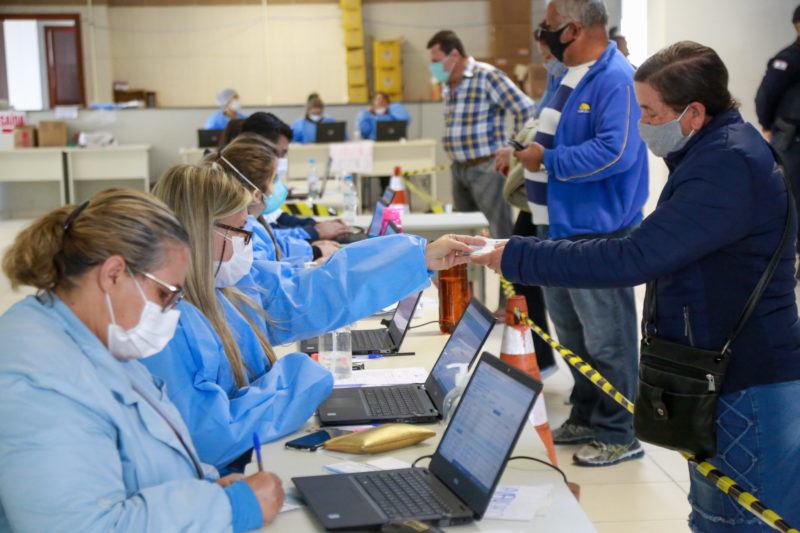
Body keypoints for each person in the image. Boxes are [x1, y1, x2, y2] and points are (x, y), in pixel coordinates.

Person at [474, 40, 800, 531]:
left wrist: (514, 253)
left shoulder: (727, 165)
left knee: (737, 521)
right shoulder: (713, 150)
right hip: (718, 370)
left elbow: (635, 255)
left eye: (648, 112)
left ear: (692, 112)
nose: (642, 123)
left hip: (745, 382)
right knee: (714, 515)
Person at [145, 164, 481, 471]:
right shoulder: (169, 327)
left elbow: (316, 292)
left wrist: (417, 258)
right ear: (199, 232)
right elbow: (212, 438)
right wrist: (301, 378)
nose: (247, 244)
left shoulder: (230, 287)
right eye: (240, 232)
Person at [0, 189, 283, 532]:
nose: (172, 311)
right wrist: (228, 509)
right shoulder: (37, 383)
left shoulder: (96, 338)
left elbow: (144, 462)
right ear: (113, 274)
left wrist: (205, 488)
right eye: (165, 294)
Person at [511, 0, 649, 466]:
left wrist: (546, 161)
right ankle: (588, 413)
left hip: (596, 232)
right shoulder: (564, 74)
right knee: (570, 333)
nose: (545, 36)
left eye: (550, 28)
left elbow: (616, 153)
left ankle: (620, 430)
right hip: (555, 227)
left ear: (574, 29)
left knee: (607, 336)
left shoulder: (616, 79)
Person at [426, 29, 535, 241]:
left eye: (436, 61)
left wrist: (515, 148)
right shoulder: (448, 84)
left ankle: (507, 273)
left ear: (454, 55)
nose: (433, 67)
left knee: (499, 229)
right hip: (459, 169)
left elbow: (525, 108)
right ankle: (472, 273)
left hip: (486, 168)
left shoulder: (487, 76)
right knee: (463, 231)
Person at [204, 133, 339, 265]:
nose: (280, 186)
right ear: (256, 195)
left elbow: (274, 242)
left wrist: (310, 249)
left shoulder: (251, 222)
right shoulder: (240, 232)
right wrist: (314, 261)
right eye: (274, 180)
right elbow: (271, 280)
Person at [241, 111, 353, 242]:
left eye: (284, 154)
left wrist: (314, 226)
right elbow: (265, 240)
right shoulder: (236, 188)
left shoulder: (254, 182)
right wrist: (315, 239)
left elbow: (275, 218)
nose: (282, 160)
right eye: (279, 153)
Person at [756, 5, 800, 249]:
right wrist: (766, 124)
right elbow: (766, 96)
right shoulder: (788, 59)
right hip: (791, 142)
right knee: (789, 203)